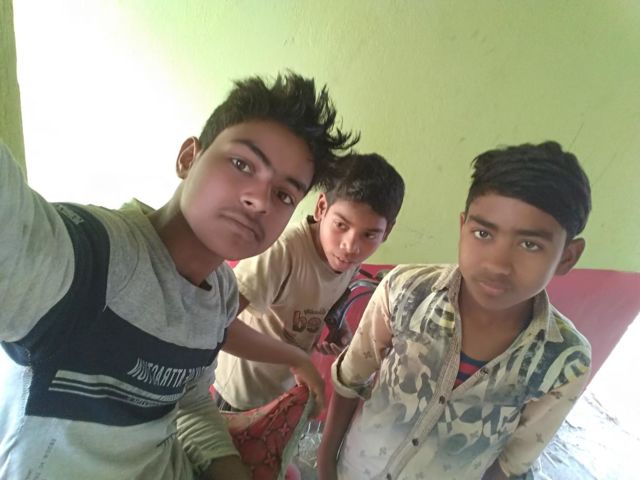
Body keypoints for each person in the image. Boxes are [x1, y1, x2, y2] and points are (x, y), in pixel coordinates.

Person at [0, 72, 358, 480]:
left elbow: (187, 400)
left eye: (284, 195)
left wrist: (227, 466)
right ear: (189, 158)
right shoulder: (90, 258)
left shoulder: (220, 294)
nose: (259, 201)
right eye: (242, 164)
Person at [318, 141, 592, 480]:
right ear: (463, 228)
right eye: (483, 233)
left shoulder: (564, 361)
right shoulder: (404, 290)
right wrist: (326, 464)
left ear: (567, 257)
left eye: (529, 244)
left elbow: (512, 462)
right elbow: (350, 377)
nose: (497, 264)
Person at [213, 152, 405, 411]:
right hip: (240, 394)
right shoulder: (282, 252)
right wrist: (297, 359)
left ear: (387, 231)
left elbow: (326, 294)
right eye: (341, 225)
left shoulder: (346, 259)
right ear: (321, 208)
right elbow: (215, 325)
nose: (351, 246)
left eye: (369, 235)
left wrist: (336, 325)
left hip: (282, 391)